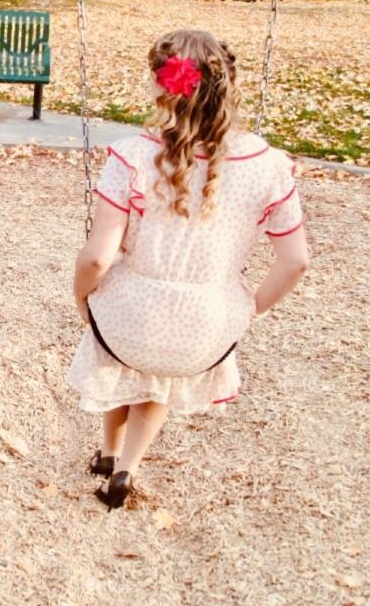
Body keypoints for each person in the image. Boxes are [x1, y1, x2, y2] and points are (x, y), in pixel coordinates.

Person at [68, 30, 309, 510]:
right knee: (159, 373)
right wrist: (248, 309)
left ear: (162, 87)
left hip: (129, 316)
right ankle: (126, 468)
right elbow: (296, 261)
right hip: (205, 327)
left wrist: (82, 296)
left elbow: (96, 258)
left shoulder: (133, 155)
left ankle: (109, 452)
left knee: (123, 345)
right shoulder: (269, 165)